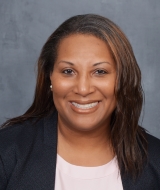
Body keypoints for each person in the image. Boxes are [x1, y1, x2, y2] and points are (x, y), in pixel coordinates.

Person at [0, 14, 160, 190]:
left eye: (100, 71)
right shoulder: (6, 151)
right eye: (68, 71)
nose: (83, 89)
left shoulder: (156, 159)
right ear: (49, 78)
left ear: (122, 80)